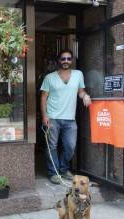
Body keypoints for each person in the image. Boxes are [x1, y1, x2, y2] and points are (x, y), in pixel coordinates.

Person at [40, 49, 92, 185]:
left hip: (70, 118)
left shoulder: (78, 74)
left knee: (70, 146)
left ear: (72, 60)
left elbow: (81, 91)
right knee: (52, 146)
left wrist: (85, 96)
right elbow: (43, 97)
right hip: (53, 117)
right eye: (63, 59)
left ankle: (63, 169)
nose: (66, 61)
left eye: (68, 59)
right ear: (59, 60)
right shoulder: (49, 77)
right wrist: (44, 115)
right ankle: (54, 172)